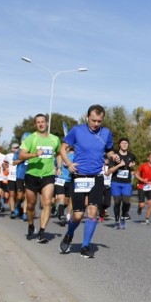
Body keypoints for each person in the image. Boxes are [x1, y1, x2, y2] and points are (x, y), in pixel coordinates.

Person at [59, 104, 117, 258]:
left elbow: (109, 150)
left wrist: (113, 156)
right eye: (93, 120)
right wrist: (68, 163)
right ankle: (69, 234)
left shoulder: (106, 133)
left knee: (92, 212)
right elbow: (62, 148)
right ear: (87, 118)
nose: (96, 124)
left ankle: (85, 247)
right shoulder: (77, 131)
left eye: (99, 121)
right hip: (79, 176)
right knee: (78, 215)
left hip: (97, 176)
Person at [18, 114, 61, 243]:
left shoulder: (55, 139)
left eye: (43, 122)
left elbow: (59, 153)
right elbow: (21, 155)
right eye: (38, 122)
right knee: (30, 205)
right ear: (35, 124)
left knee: (47, 202)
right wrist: (34, 154)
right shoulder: (31, 138)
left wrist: (59, 166)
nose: (41, 124)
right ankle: (31, 225)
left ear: (47, 123)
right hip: (32, 175)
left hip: (48, 175)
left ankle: (42, 232)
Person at [108, 138, 136, 229]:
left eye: (126, 143)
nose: (124, 144)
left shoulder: (132, 156)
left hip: (126, 183)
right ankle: (117, 221)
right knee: (117, 202)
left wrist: (132, 167)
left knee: (126, 201)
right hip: (116, 182)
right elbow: (110, 170)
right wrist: (119, 165)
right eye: (122, 143)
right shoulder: (114, 156)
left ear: (128, 145)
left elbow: (132, 169)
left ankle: (123, 217)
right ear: (119, 145)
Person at [54, 145, 74, 226]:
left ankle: (59, 210)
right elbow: (56, 164)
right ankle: (62, 216)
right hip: (60, 179)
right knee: (61, 198)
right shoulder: (60, 156)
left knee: (67, 200)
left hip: (70, 180)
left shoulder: (75, 156)